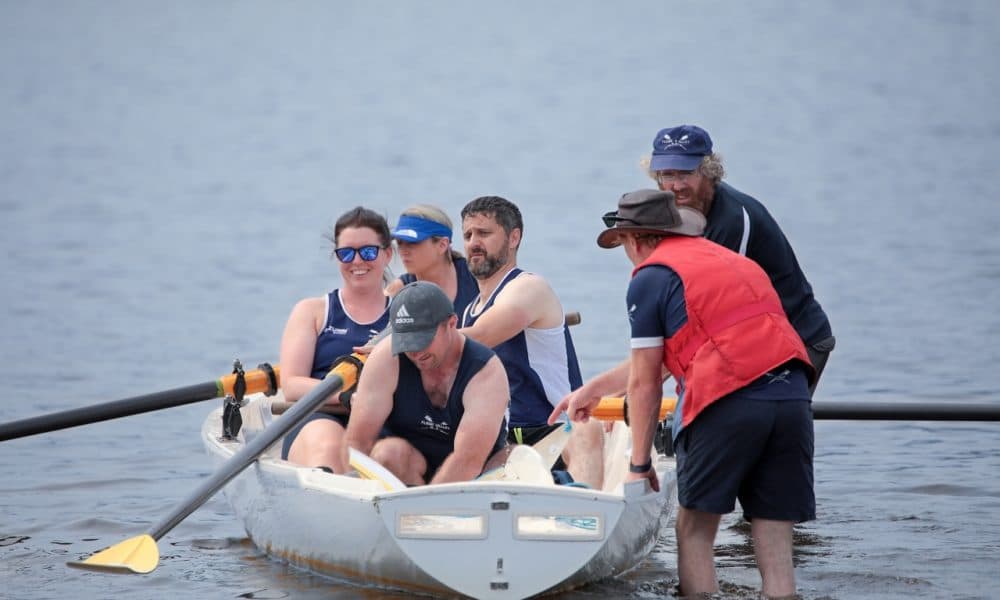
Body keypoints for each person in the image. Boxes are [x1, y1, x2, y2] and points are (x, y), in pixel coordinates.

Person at [556, 189, 816, 598]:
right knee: (773, 525)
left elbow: (644, 384)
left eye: (623, 244)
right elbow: (678, 354)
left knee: (693, 527)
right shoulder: (734, 263)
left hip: (727, 401)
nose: (627, 254)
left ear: (637, 239)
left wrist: (639, 465)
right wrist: (595, 389)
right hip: (793, 396)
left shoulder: (651, 277)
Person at [641, 124, 834, 393]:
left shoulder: (733, 220)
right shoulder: (678, 211)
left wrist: (641, 382)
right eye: (667, 175)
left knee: (758, 422)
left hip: (798, 338)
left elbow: (714, 318)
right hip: (752, 340)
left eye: (686, 174)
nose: (676, 186)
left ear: (708, 171)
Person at [458, 195, 605, 489]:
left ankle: (585, 518)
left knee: (586, 431)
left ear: (514, 238)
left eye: (484, 233)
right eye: (468, 235)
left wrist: (411, 340)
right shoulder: (467, 312)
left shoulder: (529, 288)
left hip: (556, 432)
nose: (474, 242)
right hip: (505, 441)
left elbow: (485, 335)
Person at [337, 280, 510, 485]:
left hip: (473, 472)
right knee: (388, 454)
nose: (416, 353)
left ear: (452, 323)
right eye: (407, 343)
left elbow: (467, 461)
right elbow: (356, 443)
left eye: (422, 340)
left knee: (508, 463)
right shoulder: (386, 358)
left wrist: (428, 513)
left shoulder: (485, 372)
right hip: (408, 466)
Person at [279, 206, 394, 469]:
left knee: (395, 455)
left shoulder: (405, 314)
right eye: (346, 253)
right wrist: (347, 397)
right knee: (331, 447)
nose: (357, 261)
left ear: (387, 254)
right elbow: (292, 385)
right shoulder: (312, 312)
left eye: (368, 252)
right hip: (319, 415)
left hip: (385, 419)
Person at [385, 204, 480, 315]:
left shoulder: (477, 277)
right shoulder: (398, 291)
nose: (403, 251)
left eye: (412, 243)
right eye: (400, 243)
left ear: (442, 245)